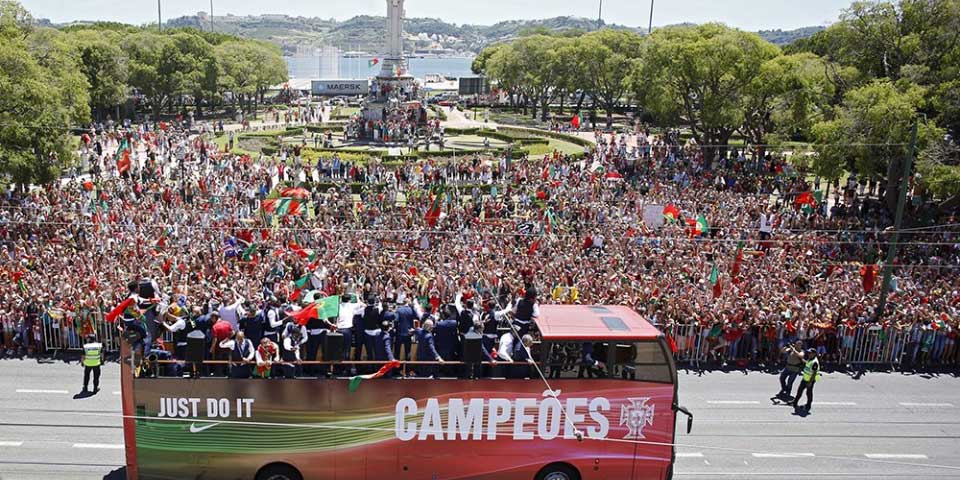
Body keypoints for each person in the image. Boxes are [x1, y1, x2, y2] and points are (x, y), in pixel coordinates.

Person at [792, 349, 821, 413]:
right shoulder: (810, 359)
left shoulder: (815, 362)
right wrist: (801, 360)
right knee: (799, 391)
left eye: (810, 353)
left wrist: (810, 382)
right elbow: (807, 363)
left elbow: (814, 373)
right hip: (805, 378)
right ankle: (795, 403)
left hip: (810, 380)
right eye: (808, 353)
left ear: (814, 354)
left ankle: (808, 405)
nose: (808, 354)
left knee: (808, 393)